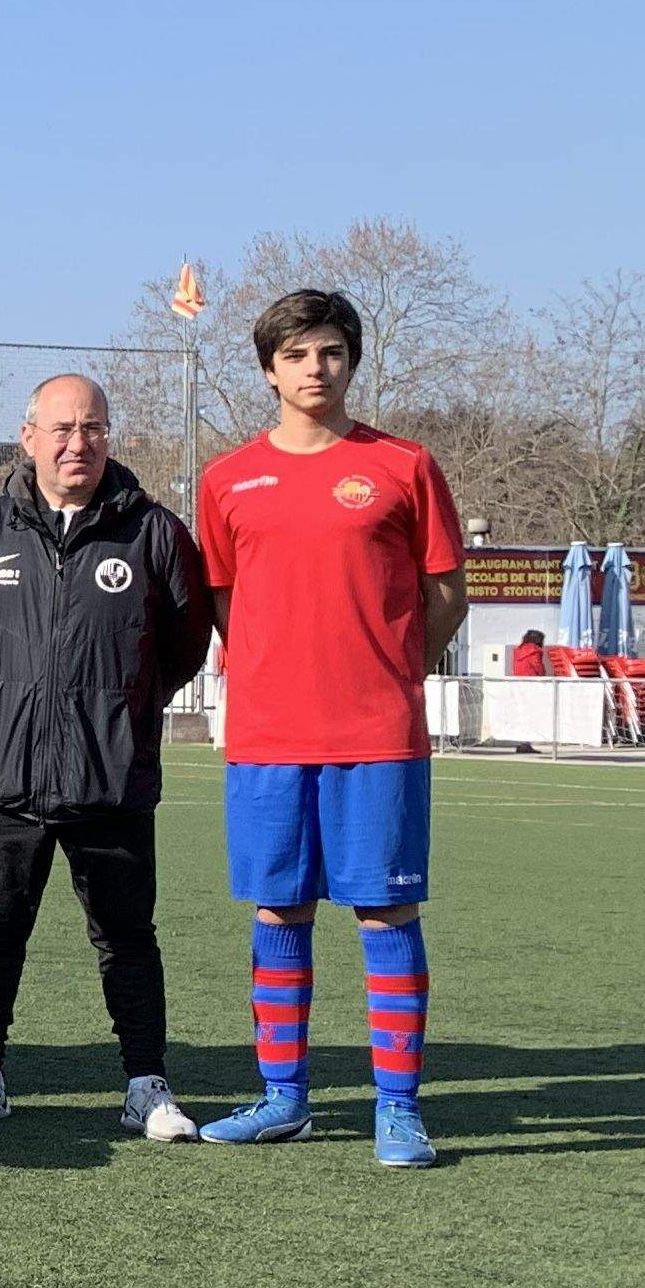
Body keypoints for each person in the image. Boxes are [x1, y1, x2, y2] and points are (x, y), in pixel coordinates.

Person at [193, 288, 466, 1165]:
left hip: (377, 734)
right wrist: (276, 671)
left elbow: (446, 593)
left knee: (386, 911)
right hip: (269, 736)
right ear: (269, 371)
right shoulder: (226, 479)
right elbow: (225, 599)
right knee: (280, 907)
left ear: (351, 361)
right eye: (297, 354)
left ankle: (399, 1108)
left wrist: (392, 671)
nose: (316, 368)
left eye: (332, 352)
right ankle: (284, 1098)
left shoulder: (404, 466)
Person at [0, 375, 211, 1137]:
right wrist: (1, 700)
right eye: (62, 429)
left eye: (93, 428)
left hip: (110, 778)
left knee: (127, 936)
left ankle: (146, 1084)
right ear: (29, 438)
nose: (78, 443)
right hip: (3, 775)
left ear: (110, 438)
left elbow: (184, 644)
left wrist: (116, 706)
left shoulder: (153, 532)